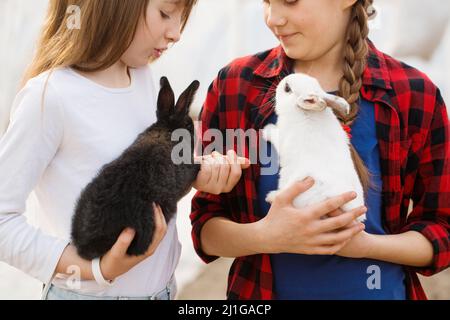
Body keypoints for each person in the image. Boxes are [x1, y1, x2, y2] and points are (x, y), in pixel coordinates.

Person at [190, 0, 450, 300]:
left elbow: (442, 229)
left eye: (289, 1)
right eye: (266, 2)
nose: (273, 18)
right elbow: (205, 227)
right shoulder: (236, 85)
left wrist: (363, 245)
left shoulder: (415, 94)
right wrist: (267, 236)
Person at [0, 0, 237, 300]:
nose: (177, 33)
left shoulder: (142, 78)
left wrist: (195, 173)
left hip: (164, 291)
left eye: (181, 19)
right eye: (165, 14)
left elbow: (142, 183)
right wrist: (96, 270)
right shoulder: (50, 96)